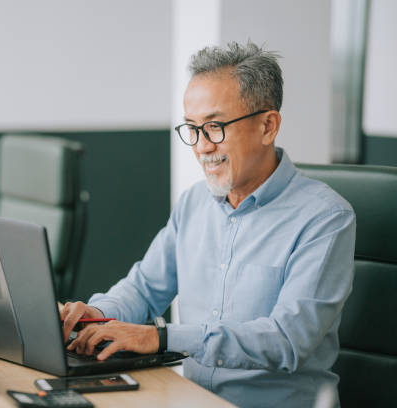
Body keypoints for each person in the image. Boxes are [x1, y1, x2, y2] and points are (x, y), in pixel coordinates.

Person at [59, 41, 356, 408]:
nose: (201, 146)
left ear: (268, 126)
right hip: (190, 400)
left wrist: (162, 338)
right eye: (192, 128)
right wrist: (97, 315)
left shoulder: (325, 217)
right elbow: (143, 288)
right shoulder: (194, 203)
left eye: (214, 127)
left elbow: (286, 340)